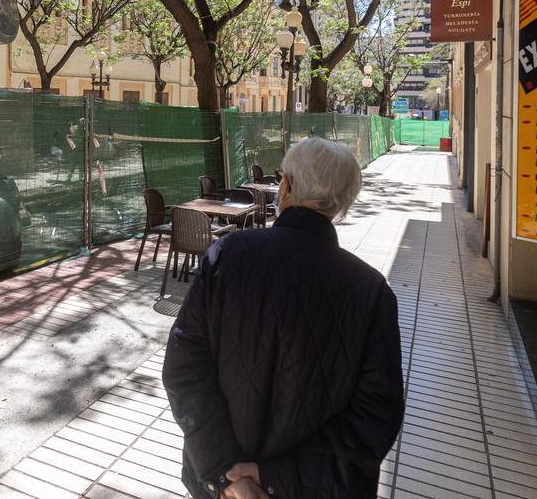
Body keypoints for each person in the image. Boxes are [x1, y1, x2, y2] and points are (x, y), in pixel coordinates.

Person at [163, 137, 404, 498]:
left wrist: (224, 473)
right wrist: (276, 478)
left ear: (286, 187)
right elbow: (375, 415)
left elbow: (184, 366)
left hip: (220, 485)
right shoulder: (371, 291)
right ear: (342, 205)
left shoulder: (227, 256)